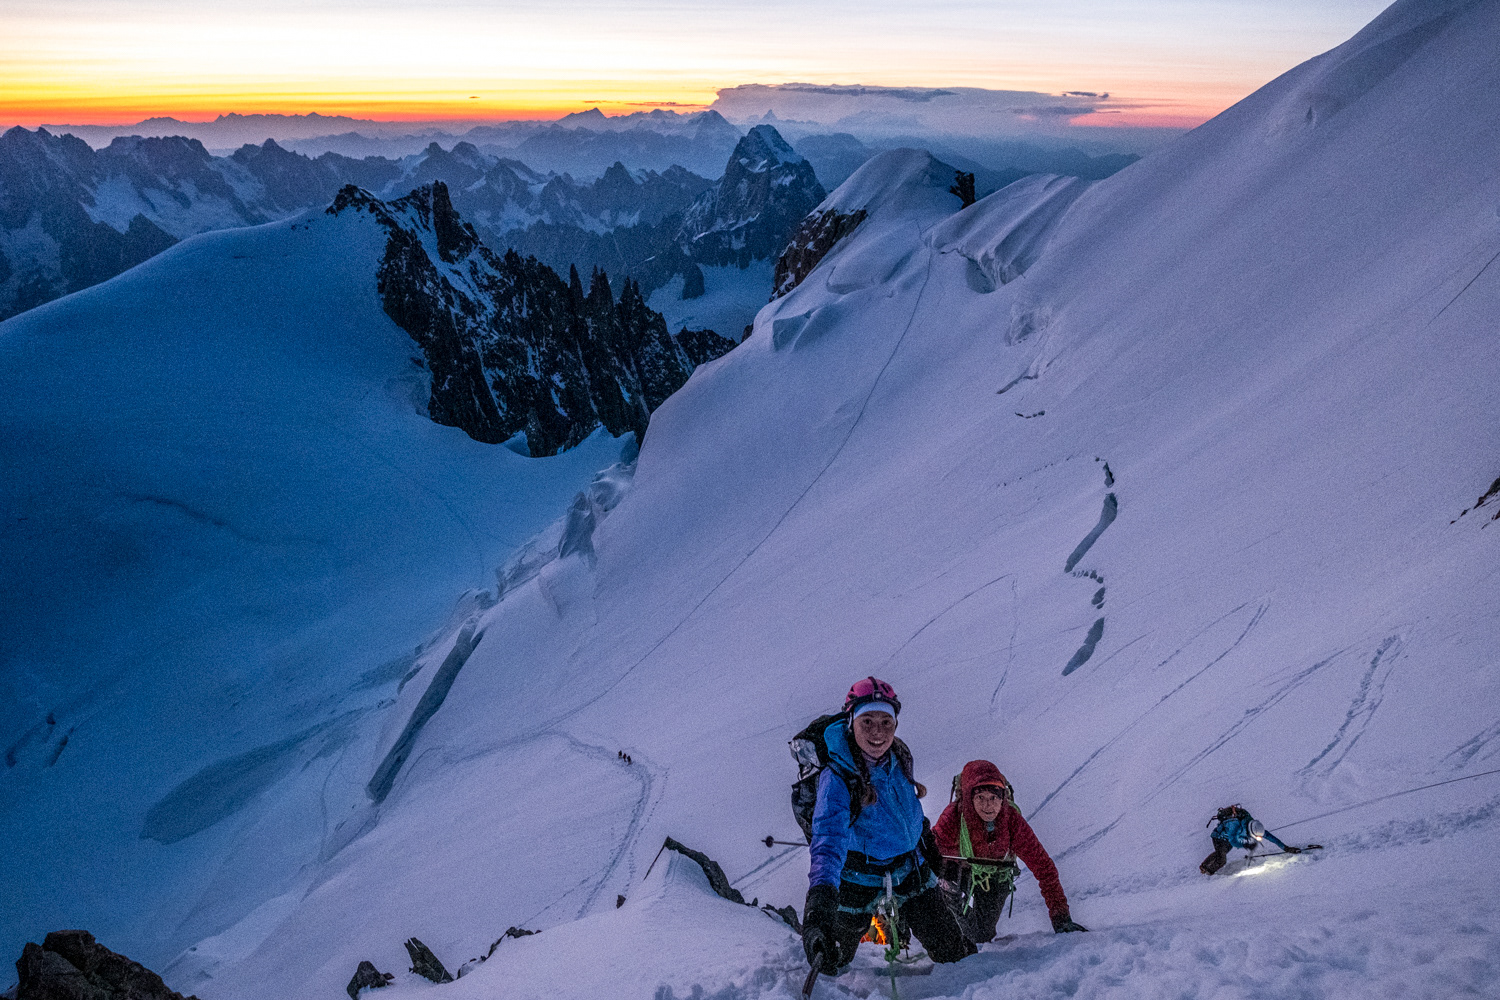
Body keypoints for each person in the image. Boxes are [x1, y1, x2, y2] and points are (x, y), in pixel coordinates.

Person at [801, 678, 975, 975]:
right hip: (855, 879)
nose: (878, 732)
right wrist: (819, 908)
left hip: (909, 870)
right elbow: (828, 842)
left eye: (886, 722)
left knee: (955, 954)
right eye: (867, 721)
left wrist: (935, 860)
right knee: (831, 962)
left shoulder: (898, 756)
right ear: (851, 722)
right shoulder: (838, 776)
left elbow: (911, 817)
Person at [933, 760, 1085, 942]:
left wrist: (1060, 917)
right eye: (980, 798)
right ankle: (952, 923)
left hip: (996, 875)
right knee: (948, 898)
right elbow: (928, 854)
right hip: (959, 870)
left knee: (982, 934)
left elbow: (1043, 867)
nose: (988, 806)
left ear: (1002, 799)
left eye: (993, 798)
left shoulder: (1011, 821)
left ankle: (962, 929)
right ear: (969, 798)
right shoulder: (953, 818)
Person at [1200, 804, 1300, 874]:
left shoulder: (1255, 827)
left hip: (1228, 837)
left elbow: (1270, 837)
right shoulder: (1234, 825)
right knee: (1222, 859)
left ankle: (1204, 866)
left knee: (1222, 852)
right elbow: (1234, 841)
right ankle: (1209, 872)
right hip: (1219, 837)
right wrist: (1246, 844)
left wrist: (1286, 848)